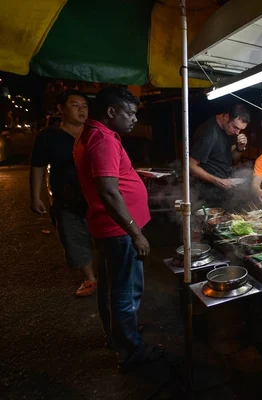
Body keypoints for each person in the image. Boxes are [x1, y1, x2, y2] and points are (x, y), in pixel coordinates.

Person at [73, 87, 163, 370]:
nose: (135, 119)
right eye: (130, 113)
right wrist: (135, 232)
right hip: (118, 231)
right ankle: (131, 351)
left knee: (111, 288)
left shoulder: (97, 134)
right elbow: (109, 192)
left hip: (109, 228)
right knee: (125, 290)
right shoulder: (102, 139)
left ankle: (118, 338)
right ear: (111, 112)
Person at [29, 90, 97, 297]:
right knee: (73, 237)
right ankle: (90, 278)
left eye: (84, 106)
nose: (81, 110)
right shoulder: (48, 136)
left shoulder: (95, 132)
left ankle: (109, 273)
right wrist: (35, 196)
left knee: (105, 237)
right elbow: (38, 166)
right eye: (75, 105)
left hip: (97, 196)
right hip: (66, 196)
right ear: (61, 109)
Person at [189, 104, 250, 207]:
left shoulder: (228, 130)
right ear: (226, 117)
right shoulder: (209, 133)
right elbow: (191, 165)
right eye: (235, 127)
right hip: (205, 193)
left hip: (221, 190)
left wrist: (240, 148)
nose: (237, 132)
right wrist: (217, 181)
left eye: (240, 129)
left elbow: (232, 157)